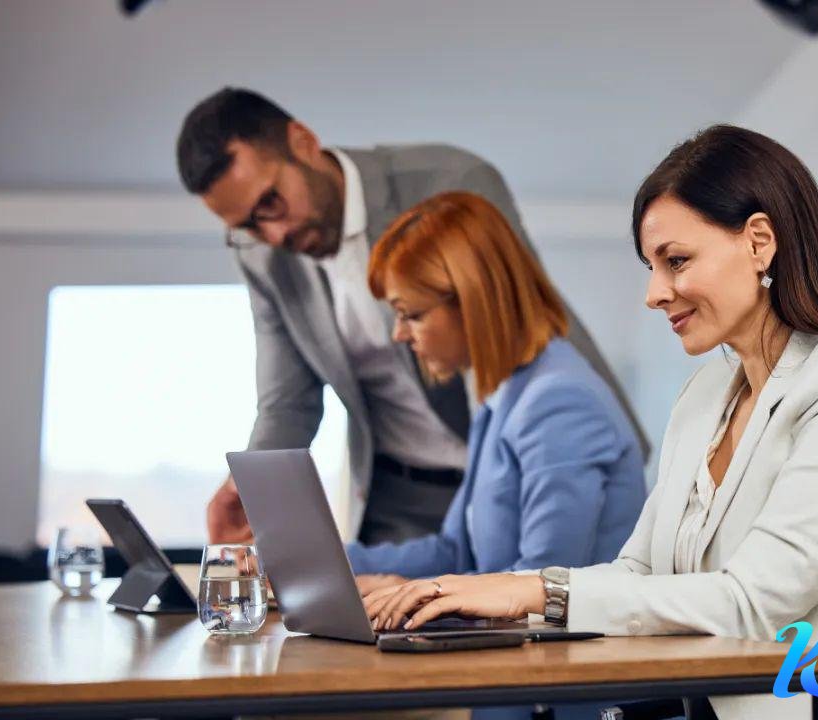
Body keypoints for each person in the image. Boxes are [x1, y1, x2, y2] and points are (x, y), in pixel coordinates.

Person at [363, 125, 818, 720]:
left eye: (676, 261)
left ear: (759, 242)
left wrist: (533, 589)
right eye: (652, 266)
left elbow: (752, 601)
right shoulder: (706, 394)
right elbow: (638, 570)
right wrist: (498, 596)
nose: (654, 293)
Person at [175, 88, 649, 546]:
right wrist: (253, 488)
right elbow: (288, 402)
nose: (273, 235)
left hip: (520, 465)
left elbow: (502, 325)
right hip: (399, 494)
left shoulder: (448, 180)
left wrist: (496, 491)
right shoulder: (263, 256)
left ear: (303, 142)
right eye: (247, 227)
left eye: (270, 202)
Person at [348, 191, 646, 602]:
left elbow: (542, 581)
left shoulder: (558, 401)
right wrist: (331, 562)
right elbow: (454, 551)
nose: (399, 334)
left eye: (411, 315)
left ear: (472, 302)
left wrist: (417, 591)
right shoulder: (506, 395)